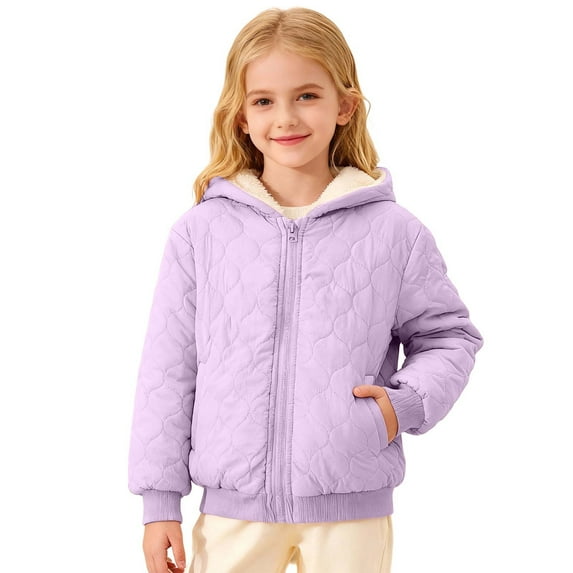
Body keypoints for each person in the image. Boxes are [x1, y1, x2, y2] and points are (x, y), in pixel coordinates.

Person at [127, 7, 484, 573]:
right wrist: (159, 502)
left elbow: (449, 337)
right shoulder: (201, 232)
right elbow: (168, 369)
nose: (286, 117)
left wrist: (403, 406)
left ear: (345, 106)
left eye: (307, 96)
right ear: (241, 116)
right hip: (232, 512)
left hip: (350, 509)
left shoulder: (394, 232)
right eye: (264, 100)